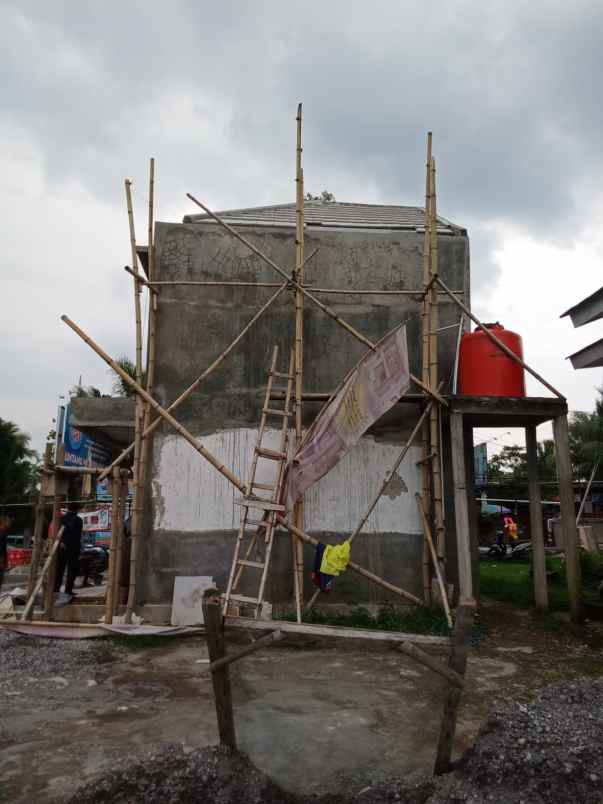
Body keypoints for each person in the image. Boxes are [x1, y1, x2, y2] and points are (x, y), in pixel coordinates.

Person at [54, 503, 83, 599]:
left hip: (62, 546)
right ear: (77, 510)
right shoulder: (78, 520)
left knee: (59, 569)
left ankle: (56, 588)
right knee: (72, 570)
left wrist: (61, 542)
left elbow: (57, 532)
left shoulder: (61, 519)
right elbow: (78, 535)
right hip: (73, 547)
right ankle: (68, 590)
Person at [0, 515, 11, 593]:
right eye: (7, 522)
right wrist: (1, 561)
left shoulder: (3, 533)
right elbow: (1, 548)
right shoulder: (1, 534)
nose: (9, 523)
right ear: (2, 523)